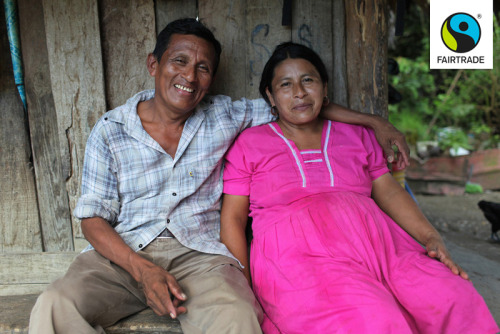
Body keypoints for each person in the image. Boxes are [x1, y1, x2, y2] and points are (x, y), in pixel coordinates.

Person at [29, 19, 409, 334]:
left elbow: (297, 102)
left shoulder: (226, 115)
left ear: (211, 78)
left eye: (203, 68)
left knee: (238, 318)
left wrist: (374, 121)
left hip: (200, 257)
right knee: (53, 307)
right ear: (153, 65)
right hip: (123, 257)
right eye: (178, 61)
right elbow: (92, 219)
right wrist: (141, 269)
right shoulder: (111, 129)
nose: (189, 77)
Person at [220, 42, 499, 333]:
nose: (300, 93)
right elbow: (233, 219)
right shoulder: (250, 144)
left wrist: (430, 236)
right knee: (372, 320)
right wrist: (243, 285)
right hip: (299, 261)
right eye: (286, 85)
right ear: (271, 96)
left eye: (308, 80)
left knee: (454, 297)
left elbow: (389, 191)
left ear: (324, 88)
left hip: (383, 247)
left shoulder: (357, 135)